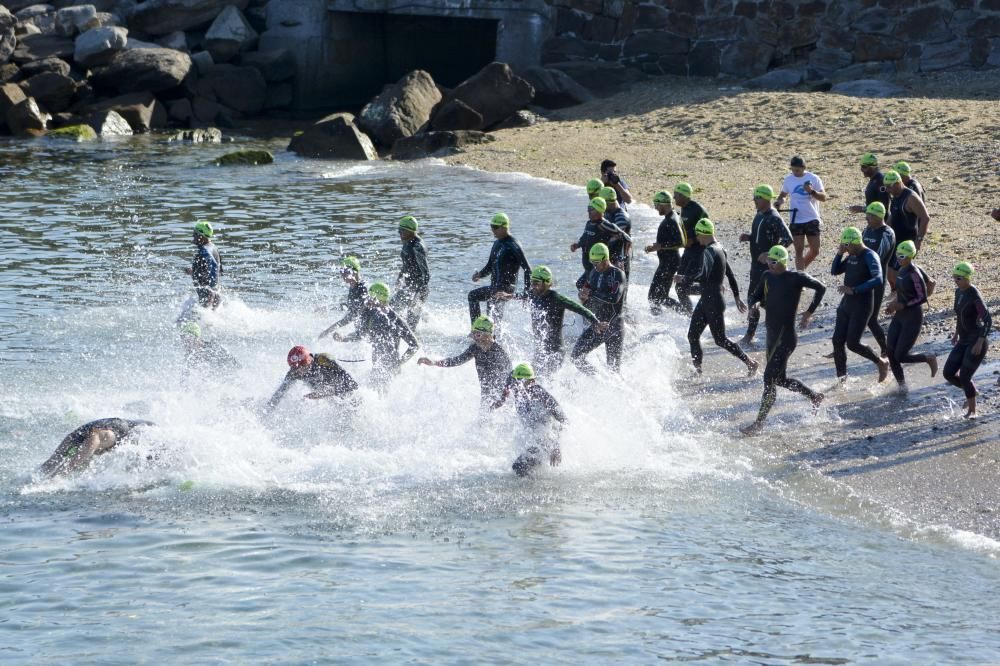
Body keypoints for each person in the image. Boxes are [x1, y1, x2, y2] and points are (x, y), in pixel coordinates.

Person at [741, 246, 826, 435]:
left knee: (768, 378)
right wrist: (753, 303)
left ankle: (759, 423)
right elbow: (755, 295)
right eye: (768, 261)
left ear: (783, 262)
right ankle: (814, 396)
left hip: (786, 337)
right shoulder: (767, 276)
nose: (770, 265)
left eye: (774, 262)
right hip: (771, 335)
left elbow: (821, 287)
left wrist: (809, 313)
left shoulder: (796, 277)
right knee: (780, 379)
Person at [676, 219, 758, 376]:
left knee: (720, 339)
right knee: (692, 335)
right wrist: (736, 296)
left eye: (698, 235)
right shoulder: (720, 248)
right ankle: (697, 370)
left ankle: (750, 363)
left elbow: (701, 274)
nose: (698, 239)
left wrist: (684, 278)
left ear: (702, 233)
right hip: (708, 299)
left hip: (712, 301)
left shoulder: (709, 251)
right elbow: (730, 274)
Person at [496, 265, 602, 376]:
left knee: (550, 381)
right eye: (532, 282)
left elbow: (580, 308)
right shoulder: (533, 294)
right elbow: (523, 295)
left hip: (555, 351)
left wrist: (595, 322)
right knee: (532, 378)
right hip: (540, 349)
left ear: (547, 283)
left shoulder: (556, 298)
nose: (533, 286)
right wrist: (509, 295)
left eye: (536, 283)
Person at [831, 227, 890, 383]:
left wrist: (855, 290)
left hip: (862, 304)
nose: (846, 249)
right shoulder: (851, 255)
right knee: (837, 341)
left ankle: (881, 362)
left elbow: (878, 279)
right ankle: (841, 380)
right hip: (846, 304)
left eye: (847, 246)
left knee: (853, 343)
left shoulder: (870, 256)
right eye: (843, 246)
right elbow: (835, 271)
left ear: (856, 242)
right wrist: (839, 253)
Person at [332, 282, 419, 390]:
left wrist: (398, 364)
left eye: (370, 297)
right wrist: (344, 338)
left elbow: (415, 345)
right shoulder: (372, 314)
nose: (367, 299)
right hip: (376, 366)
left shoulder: (395, 319)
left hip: (390, 369)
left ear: (379, 298)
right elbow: (361, 334)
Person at [418, 316, 512, 408]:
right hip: (486, 396)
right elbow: (457, 360)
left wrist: (502, 400)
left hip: (502, 400)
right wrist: (434, 362)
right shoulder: (475, 348)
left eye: (478, 335)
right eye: (473, 334)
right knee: (483, 421)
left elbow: (510, 379)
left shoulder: (499, 353)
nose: (475, 338)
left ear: (488, 335)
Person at [738, 184, 792, 347]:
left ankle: (783, 332)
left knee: (767, 302)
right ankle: (751, 334)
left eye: (757, 198)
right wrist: (750, 236)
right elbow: (761, 234)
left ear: (765, 199)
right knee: (753, 299)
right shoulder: (759, 214)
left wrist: (770, 254)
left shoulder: (774, 217)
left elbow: (787, 239)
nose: (754, 200)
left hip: (768, 268)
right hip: (756, 266)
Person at [492, 363, 566, 476]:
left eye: (523, 382)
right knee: (522, 469)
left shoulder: (541, 395)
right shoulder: (517, 389)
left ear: (532, 381)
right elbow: (510, 378)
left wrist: (556, 447)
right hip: (534, 440)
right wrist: (501, 400)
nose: (518, 386)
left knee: (519, 467)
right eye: (517, 382)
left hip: (546, 442)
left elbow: (563, 420)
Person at [884, 240, 937, 393]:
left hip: (913, 317)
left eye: (902, 256)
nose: (899, 259)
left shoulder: (914, 273)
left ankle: (928, 358)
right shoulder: (901, 269)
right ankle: (902, 387)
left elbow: (922, 297)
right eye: (897, 255)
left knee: (900, 355)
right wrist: (893, 304)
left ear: (911, 256)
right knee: (891, 353)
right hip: (900, 316)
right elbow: (901, 294)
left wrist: (902, 305)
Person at [944, 262, 991, 418]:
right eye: (954, 277)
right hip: (963, 339)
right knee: (948, 373)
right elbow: (959, 315)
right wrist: (956, 333)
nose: (955, 281)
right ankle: (972, 391)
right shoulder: (959, 292)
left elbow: (987, 320)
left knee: (964, 376)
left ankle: (972, 411)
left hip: (976, 341)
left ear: (967, 278)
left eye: (958, 278)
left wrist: (980, 341)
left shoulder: (974, 296)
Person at [571, 243, 626, 375]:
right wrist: (583, 298)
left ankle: (613, 387)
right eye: (592, 262)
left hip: (614, 326)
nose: (595, 265)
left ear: (606, 259)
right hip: (599, 325)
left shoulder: (618, 274)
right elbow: (590, 304)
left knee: (614, 371)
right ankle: (600, 380)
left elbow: (614, 298)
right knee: (576, 357)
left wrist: (591, 294)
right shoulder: (593, 273)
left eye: (597, 262)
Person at [40, 418, 155, 478]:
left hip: (146, 430)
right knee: (55, 461)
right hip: (112, 426)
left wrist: (60, 475)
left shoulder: (96, 437)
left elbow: (94, 440)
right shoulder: (73, 439)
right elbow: (50, 463)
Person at [468, 212, 531, 323]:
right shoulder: (497, 243)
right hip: (495, 287)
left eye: (495, 227)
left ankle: (477, 330)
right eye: (492, 227)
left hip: (505, 288)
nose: (492, 230)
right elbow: (490, 266)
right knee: (492, 317)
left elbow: (528, 270)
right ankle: (486, 334)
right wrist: (480, 275)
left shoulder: (514, 245)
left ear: (504, 227)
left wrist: (526, 294)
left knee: (473, 296)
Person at [264, 345, 359, 415]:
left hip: (344, 391)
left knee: (352, 406)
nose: (299, 372)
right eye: (295, 369)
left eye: (303, 367)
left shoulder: (323, 360)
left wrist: (325, 393)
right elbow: (278, 395)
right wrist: (265, 413)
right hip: (327, 394)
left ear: (309, 361)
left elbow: (352, 385)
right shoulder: (293, 372)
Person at [776, 155, 827, 270]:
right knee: (798, 250)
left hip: (812, 218)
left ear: (804, 168)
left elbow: (824, 197)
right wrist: (779, 202)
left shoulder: (814, 178)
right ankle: (800, 275)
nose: (795, 172)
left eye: (797, 170)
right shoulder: (788, 179)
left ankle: (799, 272)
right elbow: (783, 196)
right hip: (796, 219)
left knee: (815, 250)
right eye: (792, 170)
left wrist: (811, 191)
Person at [861, 201, 896, 357]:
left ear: (878, 216)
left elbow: (877, 258)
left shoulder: (887, 233)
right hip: (861, 278)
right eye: (866, 214)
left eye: (869, 215)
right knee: (852, 314)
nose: (866, 217)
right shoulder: (867, 229)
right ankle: (840, 346)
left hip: (875, 281)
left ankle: (886, 350)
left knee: (872, 319)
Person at [569, 197, 628, 287]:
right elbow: (584, 237)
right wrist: (577, 245)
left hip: (597, 265)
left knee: (589, 288)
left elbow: (626, 238)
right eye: (588, 209)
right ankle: (589, 300)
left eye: (590, 209)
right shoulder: (589, 223)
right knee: (580, 285)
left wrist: (620, 258)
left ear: (599, 210)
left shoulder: (603, 225)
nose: (588, 211)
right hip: (588, 265)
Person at [645, 190, 688, 314]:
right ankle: (683, 314)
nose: (656, 208)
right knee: (657, 297)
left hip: (669, 263)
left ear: (663, 204)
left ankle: (685, 314)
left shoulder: (672, 220)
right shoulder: (671, 217)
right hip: (666, 262)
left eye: (657, 205)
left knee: (655, 297)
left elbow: (681, 242)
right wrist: (657, 247)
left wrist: (660, 246)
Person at [673, 181, 710, 307]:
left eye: (676, 195)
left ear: (684, 196)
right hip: (688, 251)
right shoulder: (683, 208)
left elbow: (709, 230)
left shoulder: (697, 209)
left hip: (699, 251)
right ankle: (689, 315)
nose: (673, 198)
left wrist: (693, 240)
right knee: (678, 286)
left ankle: (711, 289)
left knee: (685, 285)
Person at [393, 215, 430, 330]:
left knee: (410, 322)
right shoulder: (407, 241)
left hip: (420, 289)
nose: (399, 233)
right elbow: (406, 264)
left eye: (402, 231)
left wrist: (417, 295)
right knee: (392, 308)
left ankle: (414, 343)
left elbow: (427, 274)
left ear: (410, 231)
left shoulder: (417, 247)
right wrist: (399, 278)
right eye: (398, 230)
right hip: (409, 286)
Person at [318, 257, 368, 339]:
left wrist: (330, 329)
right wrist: (328, 308)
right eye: (341, 271)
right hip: (360, 332)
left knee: (335, 338)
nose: (343, 275)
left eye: (346, 272)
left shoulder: (363, 289)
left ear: (355, 272)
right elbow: (349, 306)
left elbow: (353, 315)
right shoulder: (353, 286)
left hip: (365, 334)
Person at [885, 168, 930, 257]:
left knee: (896, 270)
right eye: (885, 186)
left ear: (898, 183)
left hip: (907, 243)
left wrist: (919, 240)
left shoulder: (911, 197)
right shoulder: (896, 195)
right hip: (896, 241)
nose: (887, 189)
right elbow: (893, 215)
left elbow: (925, 218)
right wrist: (885, 231)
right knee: (889, 268)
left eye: (889, 186)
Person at [599, 185, 632, 277]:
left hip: (621, 258)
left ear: (609, 202)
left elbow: (616, 236)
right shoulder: (608, 213)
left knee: (620, 288)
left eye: (603, 204)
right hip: (609, 257)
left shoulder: (622, 217)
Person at [189, 221, 222, 310]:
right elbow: (217, 272)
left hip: (208, 298)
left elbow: (207, 279)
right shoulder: (213, 248)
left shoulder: (204, 253)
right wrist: (193, 272)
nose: (193, 236)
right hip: (216, 296)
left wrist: (207, 303)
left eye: (195, 233)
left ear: (201, 236)